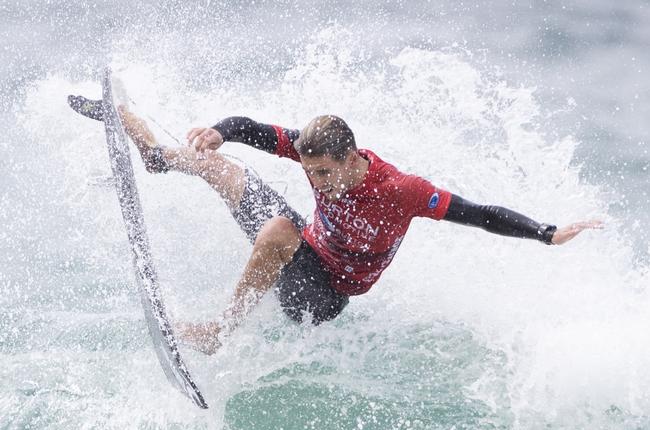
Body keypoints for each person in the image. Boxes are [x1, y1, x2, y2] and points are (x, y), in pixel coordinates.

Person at [68, 94, 602, 354]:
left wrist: (545, 232)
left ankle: (218, 333)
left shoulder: (402, 191)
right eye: (309, 171)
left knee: (277, 229)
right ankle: (151, 149)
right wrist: (218, 131)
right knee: (222, 167)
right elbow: (254, 128)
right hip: (306, 244)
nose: (317, 181)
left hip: (324, 296)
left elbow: (479, 214)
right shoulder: (314, 151)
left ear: (351, 159)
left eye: (324, 173)